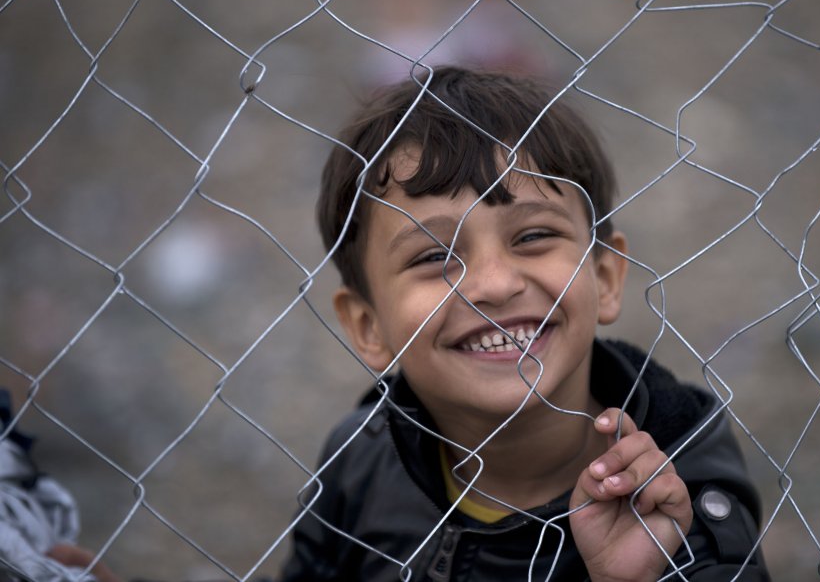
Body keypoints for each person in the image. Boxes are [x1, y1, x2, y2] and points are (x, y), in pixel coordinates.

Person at [280, 66, 770, 581]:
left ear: (604, 277)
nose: (493, 284)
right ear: (368, 326)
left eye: (533, 236)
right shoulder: (361, 460)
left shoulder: (677, 502)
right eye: (434, 255)